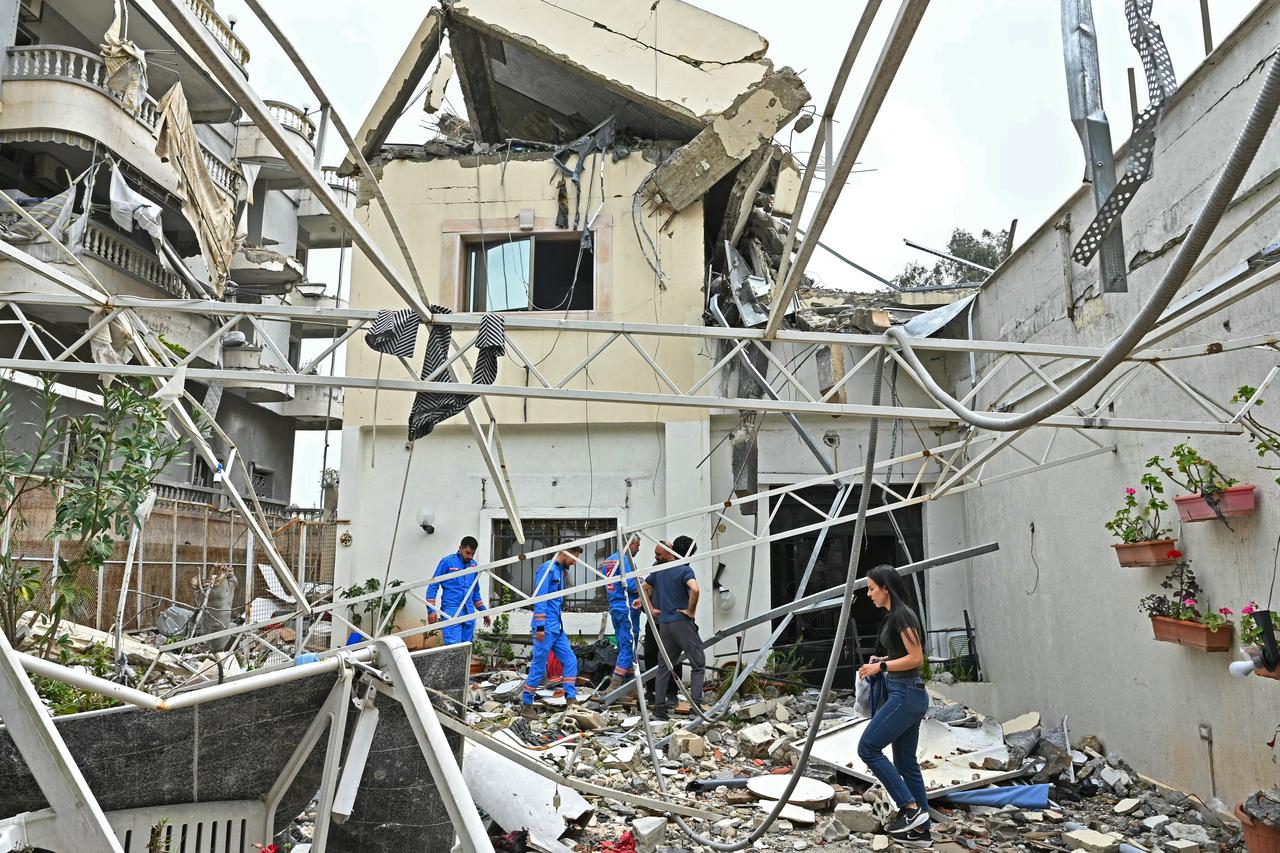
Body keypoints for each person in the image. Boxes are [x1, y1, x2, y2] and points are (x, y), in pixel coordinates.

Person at [855, 564, 932, 848]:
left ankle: (910, 810)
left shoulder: (902, 615)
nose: (869, 594)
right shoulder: (892, 617)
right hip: (905, 692)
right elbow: (902, 654)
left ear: (886, 588)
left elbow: (916, 659)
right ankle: (922, 833)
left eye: (871, 588)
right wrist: (882, 660)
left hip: (906, 694)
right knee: (905, 763)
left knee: (868, 747)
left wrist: (883, 666)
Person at [640, 535, 704, 722]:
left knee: (664, 666)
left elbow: (643, 587)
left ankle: (659, 709)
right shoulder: (684, 570)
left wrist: (652, 609)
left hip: (664, 624)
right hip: (681, 622)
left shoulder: (660, 570)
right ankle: (697, 707)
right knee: (698, 663)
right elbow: (695, 589)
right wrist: (690, 611)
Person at [522, 546, 583, 717]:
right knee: (539, 667)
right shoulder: (547, 569)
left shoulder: (560, 571)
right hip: (546, 627)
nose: (574, 563)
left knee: (570, 660)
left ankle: (570, 699)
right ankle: (526, 704)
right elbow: (540, 597)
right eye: (573, 559)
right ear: (565, 553)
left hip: (556, 627)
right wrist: (540, 626)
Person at [425, 536, 490, 645]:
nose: (470, 556)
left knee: (466, 648)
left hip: (469, 611)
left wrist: (484, 611)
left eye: (472, 554)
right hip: (451, 610)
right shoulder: (447, 562)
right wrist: (431, 610)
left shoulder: (474, 565)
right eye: (467, 552)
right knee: (453, 648)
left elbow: (475, 592)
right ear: (460, 548)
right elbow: (433, 585)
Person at [600, 535, 642, 692]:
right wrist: (645, 584)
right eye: (637, 545)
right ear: (630, 545)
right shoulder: (625, 561)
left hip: (615, 607)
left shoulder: (609, 560)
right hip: (627, 608)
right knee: (628, 646)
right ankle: (614, 687)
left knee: (624, 644)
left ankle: (630, 687)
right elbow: (631, 585)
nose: (638, 548)